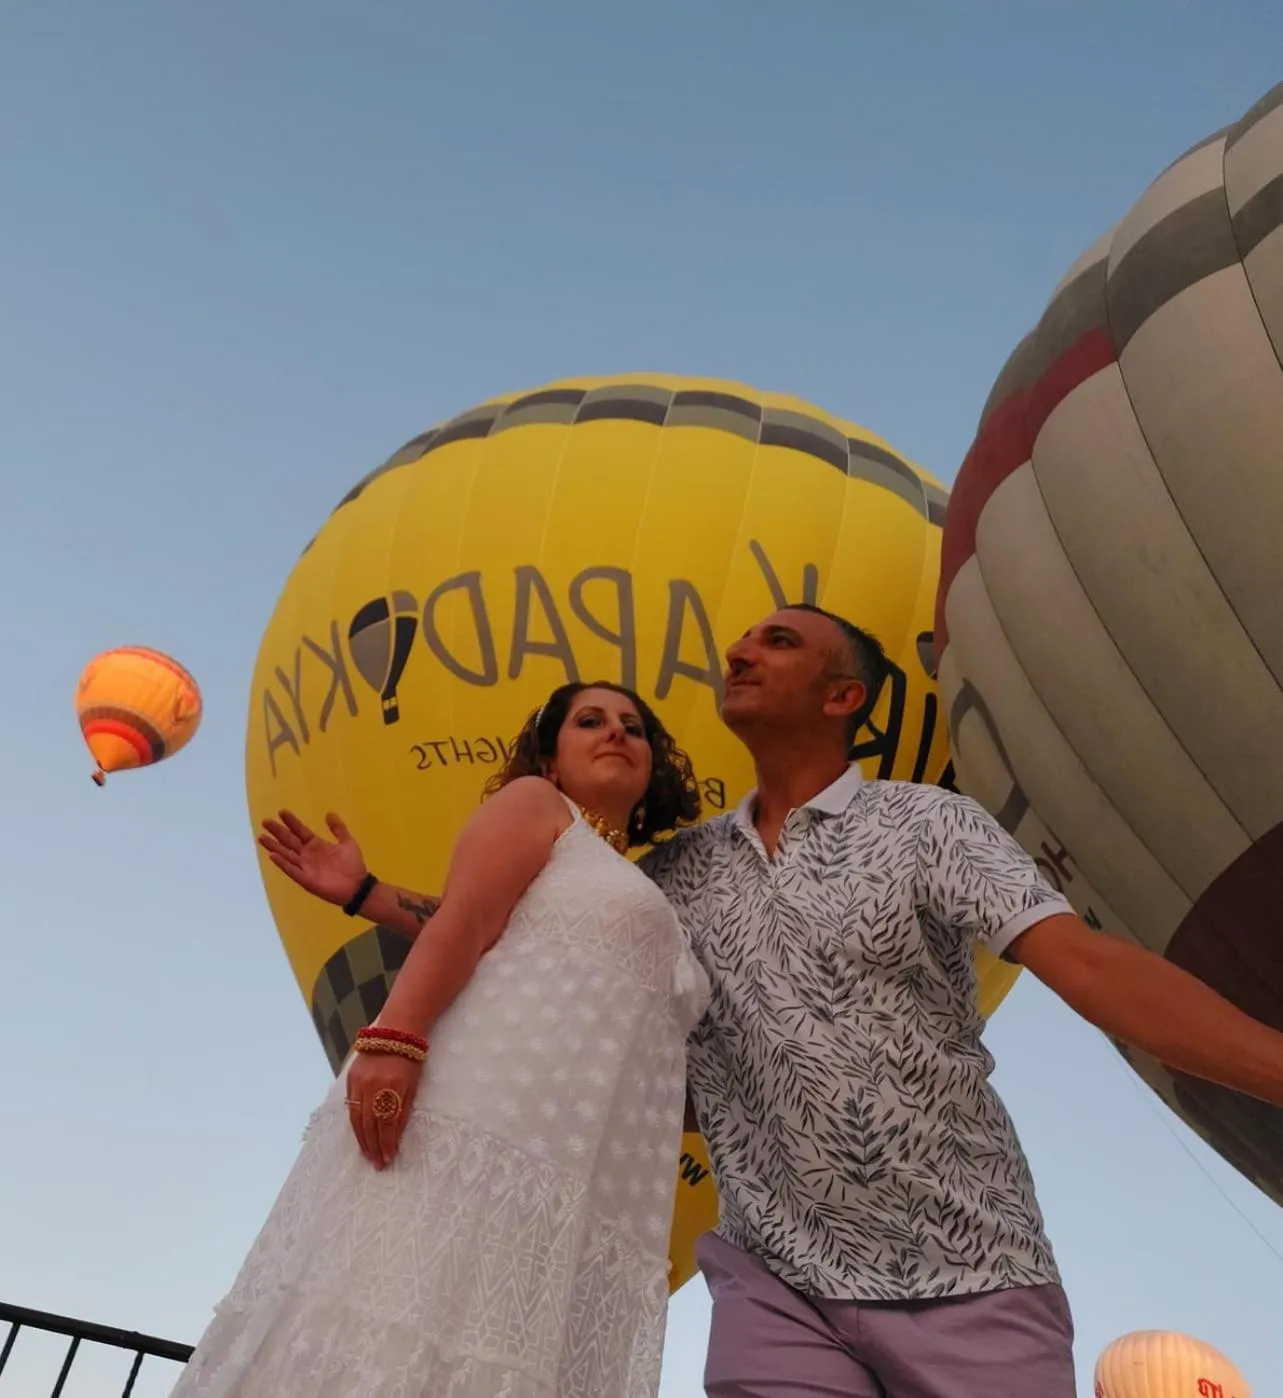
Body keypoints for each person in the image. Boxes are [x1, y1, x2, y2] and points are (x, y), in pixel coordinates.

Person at [277, 605, 1283, 1398]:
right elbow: (524, 927)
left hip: (969, 1263)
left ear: (841, 694)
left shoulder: (924, 823)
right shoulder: (673, 874)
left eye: (778, 640)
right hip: (773, 1281)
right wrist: (369, 900)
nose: (740, 652)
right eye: (741, 640)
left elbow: (1087, 966)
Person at [172, 682, 708, 1398]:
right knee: (409, 1310)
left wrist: (371, 894)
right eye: (589, 721)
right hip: (486, 1123)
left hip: (579, 1162)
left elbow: (526, 940)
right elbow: (469, 917)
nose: (616, 733)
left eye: (633, 727)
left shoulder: (629, 883)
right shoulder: (538, 806)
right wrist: (394, 1038)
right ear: (549, 761)